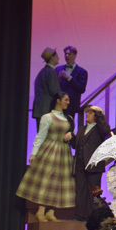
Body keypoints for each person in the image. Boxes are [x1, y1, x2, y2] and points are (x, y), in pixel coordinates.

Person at [16, 91, 75, 222]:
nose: (68, 102)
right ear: (58, 101)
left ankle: (51, 212)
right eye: (65, 99)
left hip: (64, 151)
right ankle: (40, 211)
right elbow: (40, 136)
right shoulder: (47, 117)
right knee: (48, 180)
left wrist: (70, 135)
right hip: (50, 149)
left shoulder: (69, 118)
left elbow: (72, 134)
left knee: (60, 181)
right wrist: (34, 152)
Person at [70, 105, 111, 221]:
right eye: (88, 112)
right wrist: (71, 138)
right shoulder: (82, 128)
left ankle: (92, 216)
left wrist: (98, 113)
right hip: (80, 164)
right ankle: (79, 216)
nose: (87, 114)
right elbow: (77, 145)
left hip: (94, 166)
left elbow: (104, 130)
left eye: (91, 113)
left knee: (93, 192)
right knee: (80, 191)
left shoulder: (101, 128)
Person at [55, 45, 88, 126]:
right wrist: (58, 79)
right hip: (58, 105)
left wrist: (70, 78)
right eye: (65, 54)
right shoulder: (58, 69)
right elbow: (53, 86)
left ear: (75, 55)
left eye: (69, 54)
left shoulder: (82, 71)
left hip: (71, 105)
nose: (66, 56)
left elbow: (81, 89)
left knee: (68, 128)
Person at [32, 47, 60, 132]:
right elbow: (54, 91)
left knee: (41, 138)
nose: (58, 58)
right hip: (47, 111)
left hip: (40, 111)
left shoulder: (42, 71)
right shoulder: (51, 72)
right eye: (56, 56)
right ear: (52, 58)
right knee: (46, 140)